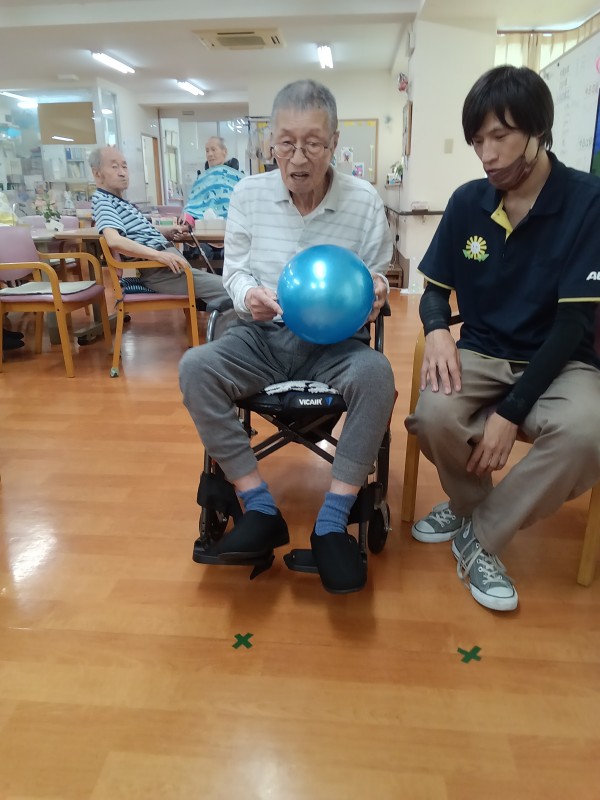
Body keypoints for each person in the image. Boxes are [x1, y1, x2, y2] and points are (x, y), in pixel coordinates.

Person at [179, 79, 395, 595]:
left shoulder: (364, 201)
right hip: (260, 336)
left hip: (335, 345)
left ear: (334, 142)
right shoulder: (248, 194)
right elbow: (234, 272)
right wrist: (248, 294)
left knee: (378, 375)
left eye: (313, 143)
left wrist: (378, 291)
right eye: (286, 143)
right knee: (195, 367)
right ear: (269, 143)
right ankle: (259, 507)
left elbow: (378, 273)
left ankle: (332, 522)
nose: (298, 158)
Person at [405, 65, 600, 612]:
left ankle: (482, 533)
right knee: (434, 415)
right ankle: (471, 506)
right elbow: (433, 291)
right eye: (477, 141)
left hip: (562, 360)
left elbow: (572, 325)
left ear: (539, 131)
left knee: (588, 433)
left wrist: (511, 412)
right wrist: (437, 331)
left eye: (501, 136)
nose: (487, 156)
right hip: (482, 350)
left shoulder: (588, 202)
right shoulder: (468, 201)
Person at [89, 146, 228, 305]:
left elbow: (139, 232)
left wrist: (168, 231)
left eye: (124, 166)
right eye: (114, 167)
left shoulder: (120, 202)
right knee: (232, 290)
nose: (122, 172)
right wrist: (159, 256)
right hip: (160, 271)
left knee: (230, 287)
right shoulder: (103, 201)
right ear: (97, 173)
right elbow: (114, 240)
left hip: (168, 265)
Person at [183, 137, 242, 262]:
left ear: (224, 151)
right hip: (205, 231)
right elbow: (192, 204)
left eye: (213, 149)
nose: (210, 154)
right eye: (207, 151)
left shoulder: (236, 176)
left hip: (232, 230)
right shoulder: (202, 179)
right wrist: (187, 217)